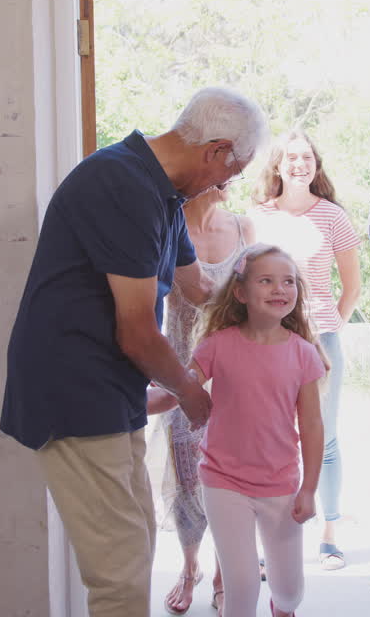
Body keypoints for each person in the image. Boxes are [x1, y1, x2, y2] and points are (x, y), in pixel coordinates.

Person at [0, 87, 269, 617]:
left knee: (139, 538)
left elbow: (198, 287)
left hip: (110, 386)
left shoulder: (165, 194)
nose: (225, 184)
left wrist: (265, 283)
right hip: (72, 390)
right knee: (119, 570)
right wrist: (190, 393)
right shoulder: (122, 184)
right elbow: (138, 332)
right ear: (215, 150)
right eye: (231, 171)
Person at [149, 244, 326, 617]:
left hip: (280, 483)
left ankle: (284, 607)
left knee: (290, 590)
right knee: (241, 587)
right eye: (267, 280)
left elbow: (311, 426)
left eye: (288, 282)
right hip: (222, 480)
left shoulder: (303, 354)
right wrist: (139, 402)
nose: (280, 289)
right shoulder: (217, 345)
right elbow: (181, 389)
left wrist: (309, 488)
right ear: (242, 293)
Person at [249, 130, 361, 570]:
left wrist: (325, 328)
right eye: (291, 157)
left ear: (317, 166)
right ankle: (267, 542)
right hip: (266, 342)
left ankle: (329, 535)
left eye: (307, 157)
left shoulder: (333, 216)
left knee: (325, 438)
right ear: (277, 165)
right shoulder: (256, 217)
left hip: (320, 342)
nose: (300, 164)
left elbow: (351, 288)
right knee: (267, 439)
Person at [156, 182, 254, 615]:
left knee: (231, 478)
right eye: (226, 170)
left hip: (237, 374)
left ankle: (222, 572)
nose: (232, 179)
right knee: (185, 477)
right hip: (180, 370)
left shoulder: (245, 228)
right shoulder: (167, 228)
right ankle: (189, 564)